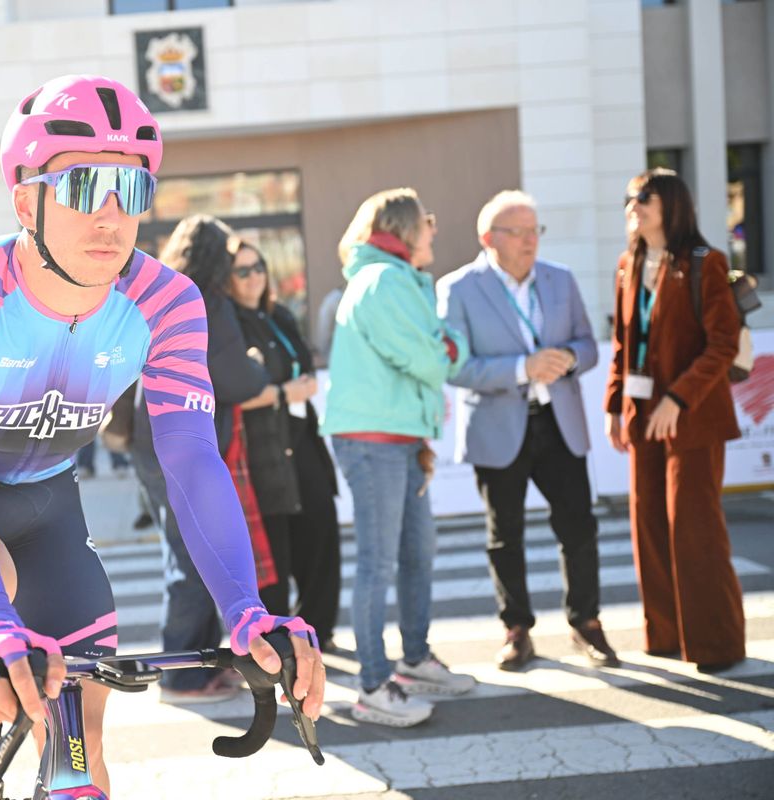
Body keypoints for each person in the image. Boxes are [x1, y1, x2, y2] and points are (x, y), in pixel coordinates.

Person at [0, 75, 324, 797]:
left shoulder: (168, 302)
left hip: (46, 496)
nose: (111, 216)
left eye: (132, 190)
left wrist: (246, 611)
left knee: (79, 739)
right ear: (26, 203)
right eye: (83, 187)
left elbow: (191, 458)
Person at [131, 214, 311, 705]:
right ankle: (183, 677)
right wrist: (256, 364)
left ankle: (195, 666)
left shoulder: (163, 294)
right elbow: (240, 380)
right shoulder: (206, 301)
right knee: (194, 556)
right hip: (179, 444)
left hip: (151, 440)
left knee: (185, 553)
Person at [437, 190, 616, 672]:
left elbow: (588, 345)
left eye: (535, 230)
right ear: (488, 238)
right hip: (497, 428)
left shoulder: (560, 279)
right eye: (517, 232)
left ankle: (586, 622)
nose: (529, 241)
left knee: (579, 527)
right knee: (505, 536)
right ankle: (516, 629)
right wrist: (523, 368)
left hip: (559, 423)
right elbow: (454, 367)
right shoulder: (458, 288)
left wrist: (570, 358)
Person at [321, 188, 475, 728]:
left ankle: (412, 659)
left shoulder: (396, 278)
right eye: (428, 220)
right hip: (374, 440)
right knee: (379, 562)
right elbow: (433, 358)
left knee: (416, 553)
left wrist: (444, 347)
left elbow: (439, 349)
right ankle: (371, 685)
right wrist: (446, 347)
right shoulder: (385, 281)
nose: (435, 229)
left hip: (396, 436)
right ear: (407, 228)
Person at [605, 168, 746, 672]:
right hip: (642, 416)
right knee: (649, 528)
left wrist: (678, 399)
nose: (634, 205)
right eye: (629, 197)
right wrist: (614, 406)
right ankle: (664, 635)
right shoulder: (628, 264)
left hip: (694, 417)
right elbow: (623, 343)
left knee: (695, 530)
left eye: (644, 196)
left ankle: (716, 645)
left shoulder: (706, 262)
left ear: (672, 204)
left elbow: (722, 345)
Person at [224, 238, 341, 648]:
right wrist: (282, 393)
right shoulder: (229, 326)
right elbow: (230, 391)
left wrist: (299, 388)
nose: (253, 277)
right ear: (227, 278)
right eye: (242, 270)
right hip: (260, 450)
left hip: (301, 440)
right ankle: (278, 643)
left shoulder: (281, 317)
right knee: (275, 550)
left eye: (258, 267)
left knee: (321, 534)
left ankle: (318, 633)